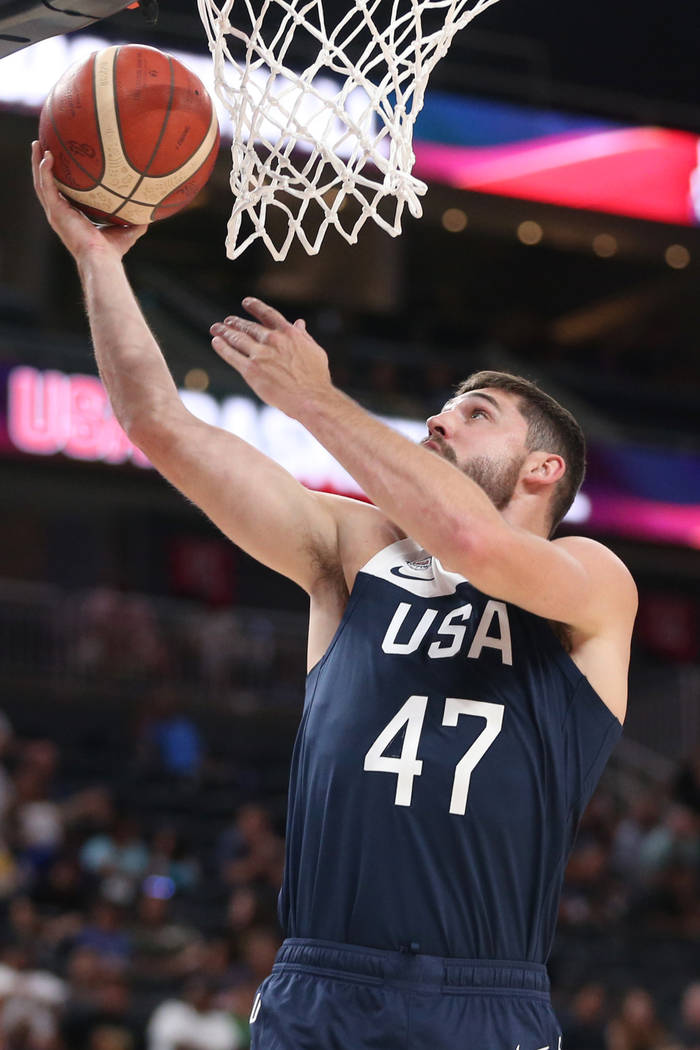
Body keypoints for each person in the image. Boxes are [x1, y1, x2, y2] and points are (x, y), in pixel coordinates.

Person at [32, 142, 638, 1050]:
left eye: (476, 414)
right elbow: (157, 425)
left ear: (543, 468)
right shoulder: (352, 550)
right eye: (446, 405)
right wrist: (99, 262)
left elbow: (472, 539)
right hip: (321, 984)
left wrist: (316, 403)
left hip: (483, 996)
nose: (439, 417)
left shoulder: (592, 582)